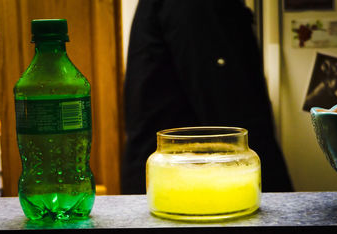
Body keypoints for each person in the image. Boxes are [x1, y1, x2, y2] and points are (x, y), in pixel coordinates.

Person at [121, 0, 294, 194]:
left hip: (174, 179)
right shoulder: (196, 6)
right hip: (186, 185)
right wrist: (277, 195)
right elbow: (232, 111)